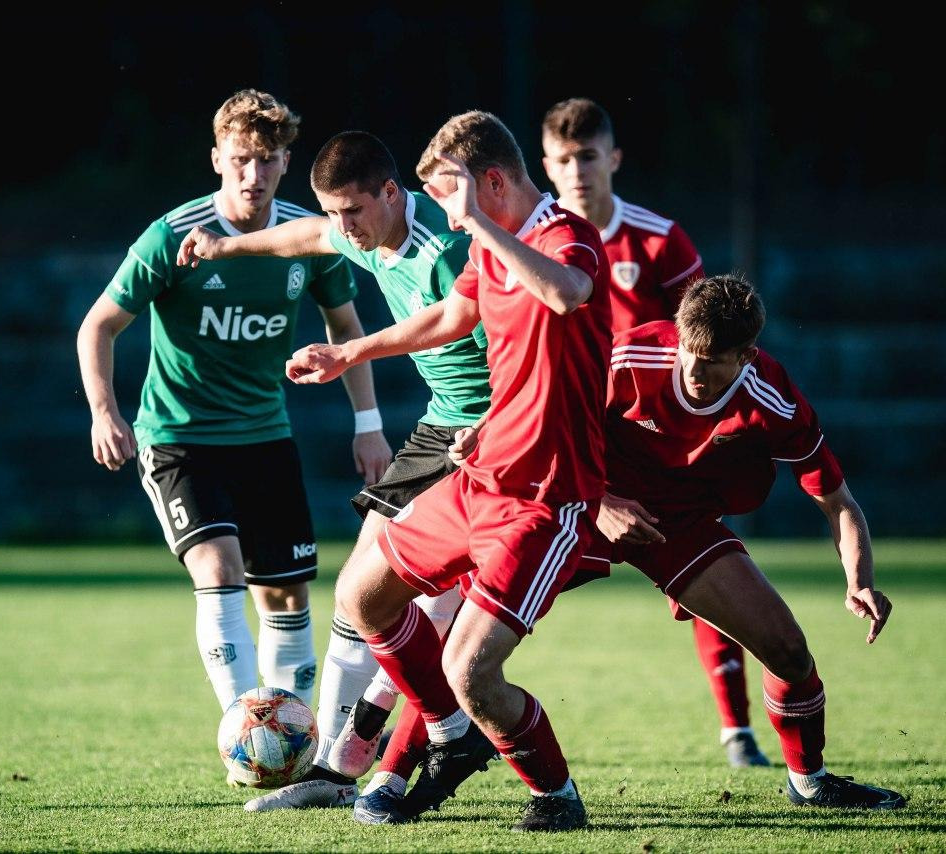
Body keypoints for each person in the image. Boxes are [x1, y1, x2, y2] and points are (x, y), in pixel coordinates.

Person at [285, 110, 613, 832]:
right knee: (362, 594)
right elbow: (447, 319)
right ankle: (448, 735)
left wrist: (482, 226)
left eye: (448, 194)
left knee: (470, 670)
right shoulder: (488, 248)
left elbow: (566, 293)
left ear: (491, 182)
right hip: (479, 475)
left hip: (545, 497)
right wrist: (349, 354)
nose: (443, 212)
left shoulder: (565, 235)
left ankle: (555, 795)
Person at [76, 91, 392, 763]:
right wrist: (105, 411)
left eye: (268, 160)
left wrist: (368, 424)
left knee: (286, 593)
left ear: (286, 163)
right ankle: (247, 739)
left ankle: (290, 752)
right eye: (241, 159)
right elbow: (98, 325)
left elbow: (346, 328)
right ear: (217, 159)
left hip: (265, 437)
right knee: (219, 567)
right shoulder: (172, 237)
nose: (254, 174)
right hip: (179, 437)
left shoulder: (309, 237)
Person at [176, 130, 484, 810]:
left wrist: (351, 354)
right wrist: (224, 247)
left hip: (489, 431)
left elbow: (486, 336)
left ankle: (391, 753)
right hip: (440, 426)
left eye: (353, 211)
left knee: (433, 609)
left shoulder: (447, 249)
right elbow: (305, 237)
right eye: (334, 212)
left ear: (391, 193)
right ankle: (334, 767)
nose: (343, 227)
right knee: (357, 593)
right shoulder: (357, 230)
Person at [596, 273, 906, 809]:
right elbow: (548, 430)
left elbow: (838, 502)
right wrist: (599, 503)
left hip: (678, 526)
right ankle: (430, 750)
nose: (694, 371)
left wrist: (860, 581)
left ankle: (809, 782)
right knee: (480, 618)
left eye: (712, 361)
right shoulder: (628, 358)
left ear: (746, 356)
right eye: (688, 353)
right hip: (586, 501)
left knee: (788, 651)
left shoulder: (773, 398)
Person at [541, 96, 768, 767]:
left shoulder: (659, 241)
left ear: (613, 158)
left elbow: (711, 336)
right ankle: (440, 723)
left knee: (712, 575)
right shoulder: (533, 243)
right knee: (503, 576)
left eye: (588, 156)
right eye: (563, 159)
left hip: (659, 449)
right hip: (571, 444)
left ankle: (737, 731)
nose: (577, 171)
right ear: (546, 166)